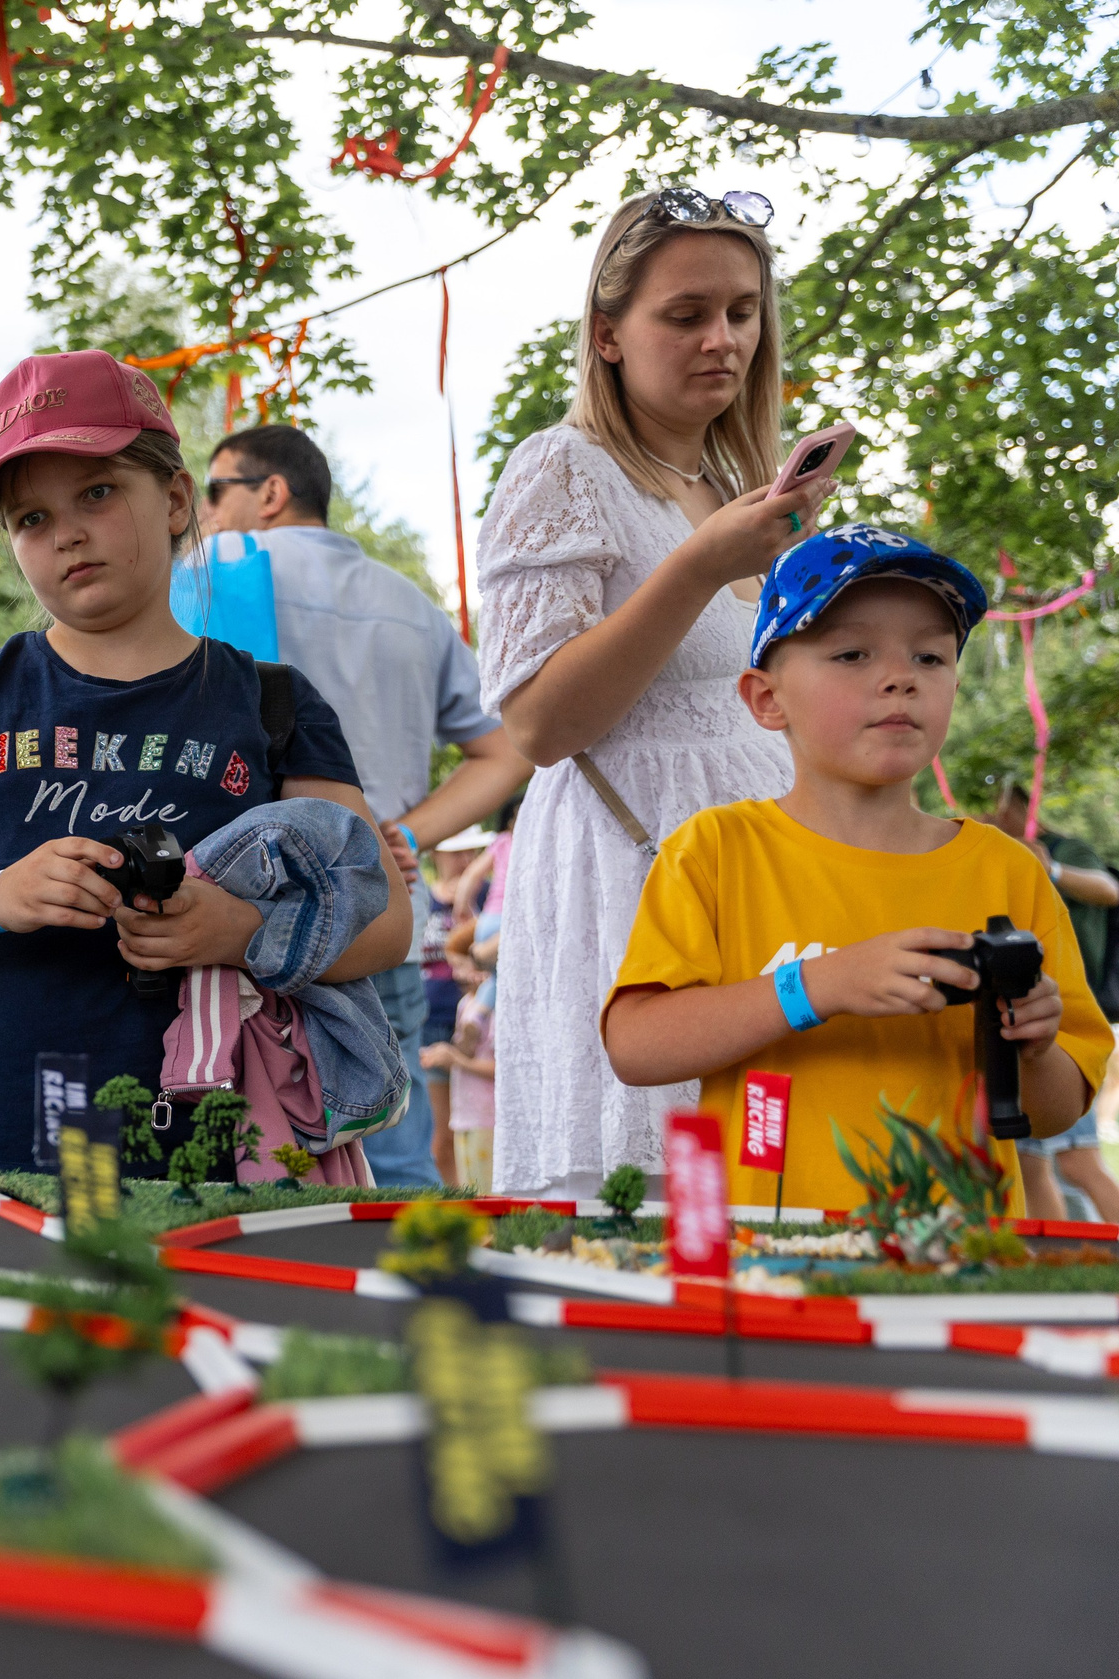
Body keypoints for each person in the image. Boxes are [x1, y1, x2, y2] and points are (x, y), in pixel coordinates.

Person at [0, 350, 409, 1176]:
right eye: (30, 518)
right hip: (0, 1153)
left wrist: (241, 932)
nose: (66, 532)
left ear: (176, 498)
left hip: (225, 1169)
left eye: (98, 493)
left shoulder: (273, 702)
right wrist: (2, 894)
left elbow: (387, 920)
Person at [476, 187, 836, 1203]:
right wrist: (697, 566)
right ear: (607, 335)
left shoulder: (735, 490)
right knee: (644, 1204)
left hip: (762, 875)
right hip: (630, 875)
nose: (722, 339)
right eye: (685, 314)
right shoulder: (562, 468)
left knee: (772, 1199)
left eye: (742, 311)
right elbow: (539, 723)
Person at [601, 529, 1112, 1215]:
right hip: (770, 1249)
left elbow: (1053, 1112)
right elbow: (636, 1047)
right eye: (852, 653)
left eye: (930, 656)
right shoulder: (716, 850)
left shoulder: (1008, 871)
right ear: (766, 698)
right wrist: (818, 985)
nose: (901, 677)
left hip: (965, 1252)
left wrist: (1036, 1045)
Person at [181, 424, 531, 1186]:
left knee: (234, 1168)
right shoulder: (411, 604)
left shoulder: (207, 572)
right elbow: (508, 748)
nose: (201, 511)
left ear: (270, 492)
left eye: (212, 491)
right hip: (379, 922)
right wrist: (401, 832)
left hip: (240, 926)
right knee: (394, 1153)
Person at [981, 780, 1119, 1220]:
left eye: (998, 806)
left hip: (1063, 1024)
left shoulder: (1063, 847)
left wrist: (1052, 869)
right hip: (1023, 1021)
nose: (992, 815)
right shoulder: (999, 855)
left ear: (1020, 807)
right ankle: (1056, 1253)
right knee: (1035, 1164)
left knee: (1076, 1163)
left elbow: (1108, 888)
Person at [422, 949, 495, 1192]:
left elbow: (501, 1068)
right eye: (456, 967)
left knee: (486, 1192)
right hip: (465, 1117)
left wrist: (455, 1060)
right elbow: (463, 1051)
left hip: (488, 1119)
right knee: (470, 1190)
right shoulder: (466, 1004)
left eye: (466, 966)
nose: (459, 975)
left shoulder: (497, 1010)